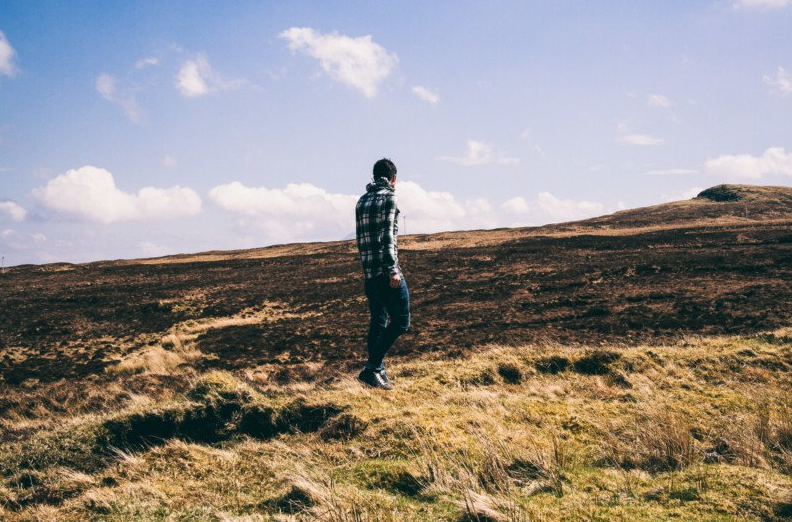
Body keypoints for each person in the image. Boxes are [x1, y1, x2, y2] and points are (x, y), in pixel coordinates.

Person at [354, 158, 410, 390]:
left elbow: (361, 239)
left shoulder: (361, 201)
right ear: (393, 178)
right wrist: (392, 270)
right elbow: (388, 237)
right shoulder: (389, 197)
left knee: (378, 321)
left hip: (369, 274)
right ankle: (371, 369)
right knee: (401, 322)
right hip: (385, 273)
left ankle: (379, 372)